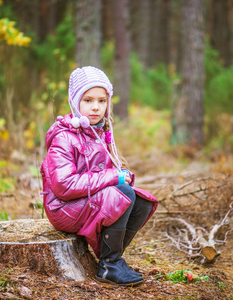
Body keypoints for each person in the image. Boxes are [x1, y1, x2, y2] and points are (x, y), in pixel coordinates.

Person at [40, 66, 158, 286]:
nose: (95, 107)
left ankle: (112, 257)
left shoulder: (98, 132)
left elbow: (101, 175)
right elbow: (63, 186)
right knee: (122, 194)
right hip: (63, 207)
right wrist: (112, 177)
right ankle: (109, 266)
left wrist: (120, 174)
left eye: (102, 101)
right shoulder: (64, 138)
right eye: (87, 100)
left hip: (86, 201)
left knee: (139, 200)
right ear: (75, 102)